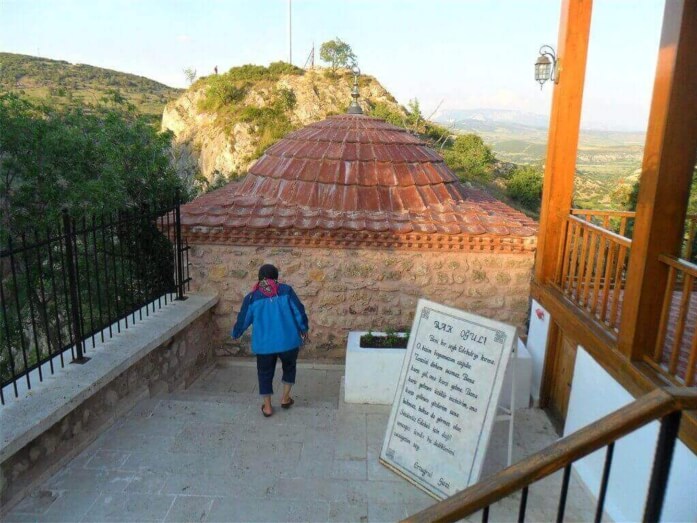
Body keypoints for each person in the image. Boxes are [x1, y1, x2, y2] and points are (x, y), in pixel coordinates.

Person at [231, 264, 309, 417]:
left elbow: (243, 320)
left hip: (264, 345)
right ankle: (285, 398)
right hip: (289, 342)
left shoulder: (252, 297)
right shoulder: (286, 291)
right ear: (276, 277)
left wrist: (236, 333)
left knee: (264, 373)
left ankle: (267, 407)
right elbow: (299, 311)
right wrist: (304, 328)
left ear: (260, 278)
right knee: (289, 368)